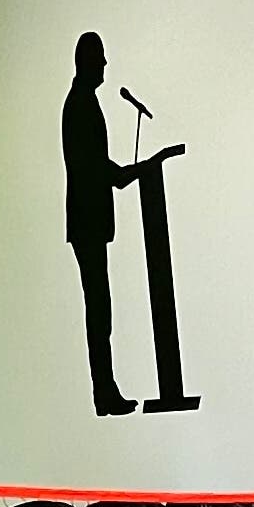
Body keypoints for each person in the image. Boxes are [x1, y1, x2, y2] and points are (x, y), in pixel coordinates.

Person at [64, 31, 178, 413]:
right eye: (100, 58)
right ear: (87, 61)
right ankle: (105, 393)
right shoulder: (80, 104)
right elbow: (90, 165)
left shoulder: (84, 101)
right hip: (88, 223)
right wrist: (128, 173)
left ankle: (106, 392)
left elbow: (94, 164)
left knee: (100, 308)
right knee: (99, 310)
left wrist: (129, 172)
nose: (105, 65)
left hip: (89, 223)